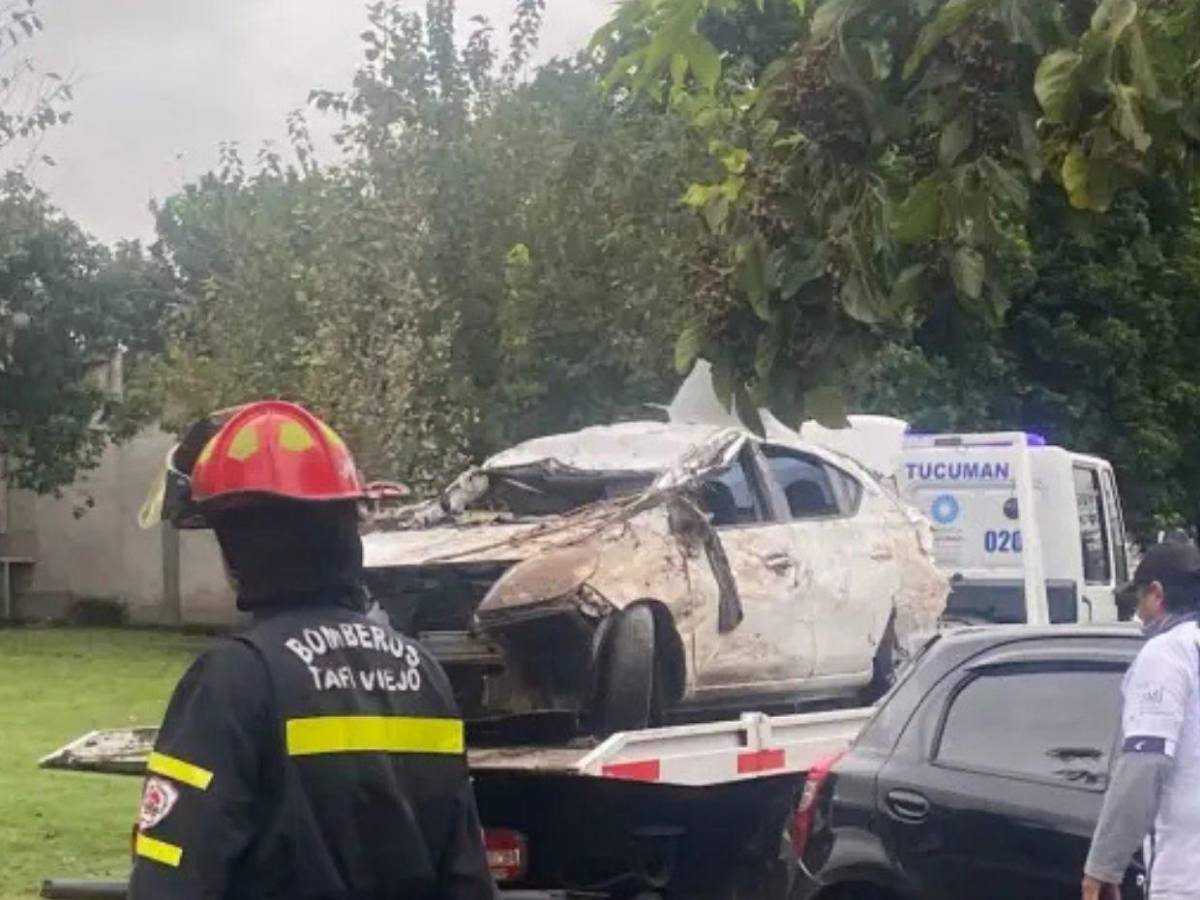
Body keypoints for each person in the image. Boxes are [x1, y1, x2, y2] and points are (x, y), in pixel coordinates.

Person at [128, 401, 497, 900]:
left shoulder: (234, 680)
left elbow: (172, 879)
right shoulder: (423, 672)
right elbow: (466, 879)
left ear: (242, 547)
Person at [1082, 541, 1200, 900]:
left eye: (1139, 601)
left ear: (1157, 593)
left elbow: (1145, 763)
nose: (1140, 615)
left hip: (1186, 876)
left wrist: (1104, 865)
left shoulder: (1168, 653)